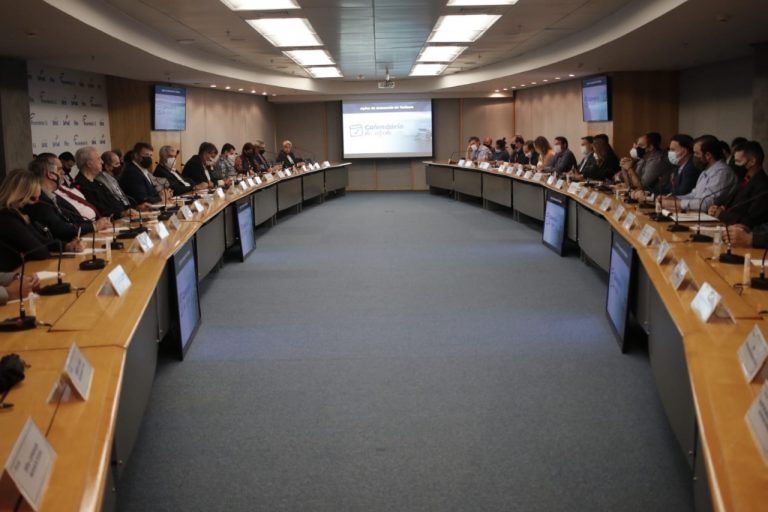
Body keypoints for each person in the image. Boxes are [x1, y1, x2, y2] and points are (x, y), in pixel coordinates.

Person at [0, 169, 82, 272]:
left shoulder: (17, 214)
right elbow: (39, 251)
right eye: (33, 199)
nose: (33, 204)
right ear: (20, 195)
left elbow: (41, 240)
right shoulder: (7, 218)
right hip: (16, 275)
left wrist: (67, 246)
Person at [25, 158, 110, 242]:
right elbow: (60, 229)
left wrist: (95, 224)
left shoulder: (52, 195)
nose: (63, 172)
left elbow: (75, 220)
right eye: (59, 169)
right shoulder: (39, 200)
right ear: (51, 174)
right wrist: (94, 226)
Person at [660, 135, 738, 212]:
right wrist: (675, 198)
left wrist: (675, 204)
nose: (693, 156)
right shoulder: (706, 170)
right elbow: (694, 195)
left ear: (708, 155)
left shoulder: (722, 173)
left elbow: (705, 204)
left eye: (696, 153)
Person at [708, 141, 768, 228]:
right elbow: (732, 207)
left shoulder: (762, 186)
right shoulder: (744, 179)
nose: (734, 165)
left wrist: (722, 214)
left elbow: (752, 221)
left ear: (752, 161)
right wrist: (718, 209)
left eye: (738, 161)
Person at [75, 147, 139, 219]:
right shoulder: (80, 185)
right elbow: (99, 210)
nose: (102, 162)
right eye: (98, 159)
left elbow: (115, 202)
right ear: (89, 164)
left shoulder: (97, 182)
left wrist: (132, 209)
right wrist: (121, 214)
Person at [622, 132, 672, 198]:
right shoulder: (643, 158)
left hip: (658, 198)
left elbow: (641, 186)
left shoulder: (658, 160)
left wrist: (629, 168)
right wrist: (624, 167)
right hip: (643, 196)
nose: (636, 148)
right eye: (636, 145)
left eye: (640, 145)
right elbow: (631, 185)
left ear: (650, 147)